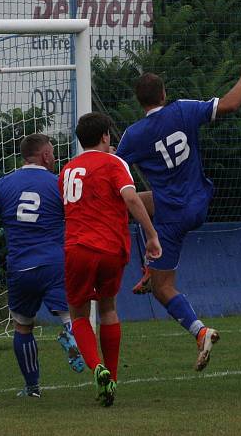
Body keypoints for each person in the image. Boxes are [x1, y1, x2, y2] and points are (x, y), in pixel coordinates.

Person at [115, 60, 241, 371]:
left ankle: (200, 331)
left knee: (163, 287)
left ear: (139, 102)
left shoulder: (134, 134)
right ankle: (148, 267)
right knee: (138, 202)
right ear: (164, 94)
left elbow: (114, 172)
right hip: (198, 201)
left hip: (172, 214)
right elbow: (232, 103)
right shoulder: (183, 110)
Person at [0, 134, 86, 399]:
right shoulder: (58, 183)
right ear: (45, 155)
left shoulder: (4, 184)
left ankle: (32, 387)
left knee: (23, 326)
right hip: (54, 263)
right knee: (72, 317)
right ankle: (73, 341)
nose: (55, 158)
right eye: (53, 153)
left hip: (20, 267)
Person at [60, 113, 161, 407]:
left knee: (78, 315)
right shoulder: (115, 163)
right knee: (108, 309)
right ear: (106, 136)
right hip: (110, 248)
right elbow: (130, 198)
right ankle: (112, 377)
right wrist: (152, 234)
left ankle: (96, 368)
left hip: (77, 248)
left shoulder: (67, 169)